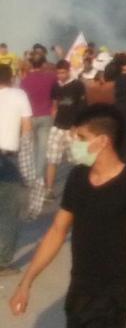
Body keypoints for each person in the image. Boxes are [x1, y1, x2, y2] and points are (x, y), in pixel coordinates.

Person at [10, 104, 126, 327]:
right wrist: (26, 281)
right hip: (79, 290)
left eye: (81, 137)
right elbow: (57, 231)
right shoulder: (77, 177)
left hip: (113, 295)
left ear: (103, 141)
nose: (74, 143)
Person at [0, 64, 31, 276]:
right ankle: (2, 262)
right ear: (11, 78)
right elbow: (27, 128)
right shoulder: (19, 95)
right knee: (8, 211)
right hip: (9, 158)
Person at [44, 59, 86, 197]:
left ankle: (82, 190)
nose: (60, 75)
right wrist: (53, 115)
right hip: (57, 127)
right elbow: (54, 104)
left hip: (73, 128)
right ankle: (49, 190)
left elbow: (82, 107)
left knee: (80, 160)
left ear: (68, 71)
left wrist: (76, 126)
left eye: (63, 72)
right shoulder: (56, 86)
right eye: (58, 73)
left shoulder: (78, 85)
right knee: (52, 159)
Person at [20, 51, 57, 183]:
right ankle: (39, 177)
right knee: (42, 148)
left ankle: (29, 177)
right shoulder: (51, 78)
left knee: (31, 148)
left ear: (31, 64)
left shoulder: (24, 81)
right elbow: (56, 94)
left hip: (29, 117)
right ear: (43, 64)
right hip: (46, 116)